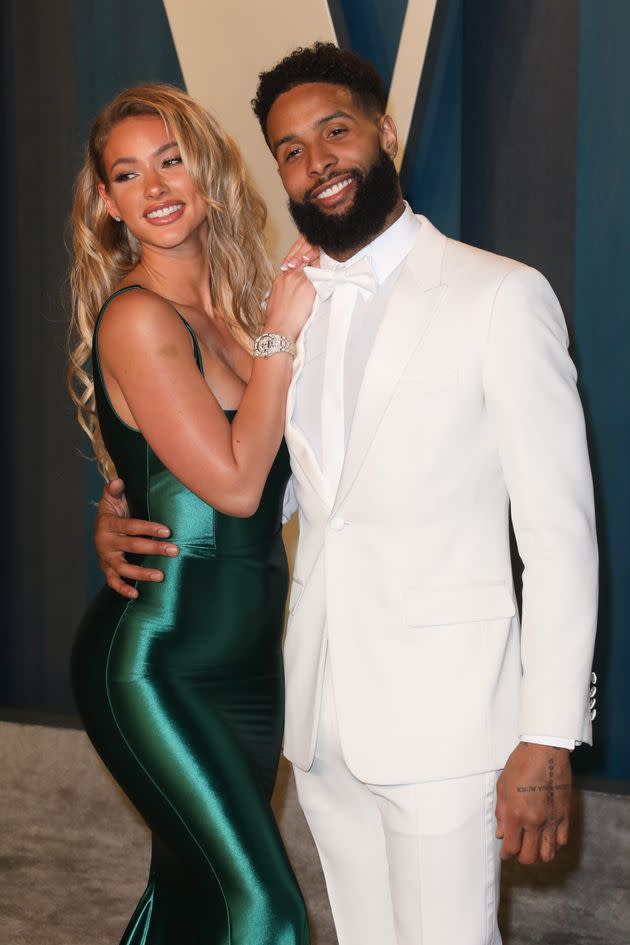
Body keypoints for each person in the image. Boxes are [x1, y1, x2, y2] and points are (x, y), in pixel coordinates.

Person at [94, 46, 599, 945]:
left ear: (385, 131)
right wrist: (127, 503)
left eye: (335, 131)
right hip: (319, 716)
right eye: (289, 148)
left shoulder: (500, 296)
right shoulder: (286, 310)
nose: (316, 160)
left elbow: (560, 535)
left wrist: (549, 731)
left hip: (448, 725)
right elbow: (269, 484)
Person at [67, 82, 317, 945]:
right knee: (267, 912)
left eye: (170, 159)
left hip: (247, 662)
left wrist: (266, 335)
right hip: (158, 664)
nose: (158, 186)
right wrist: (282, 340)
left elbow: (287, 486)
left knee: (192, 902)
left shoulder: (235, 314)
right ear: (109, 203)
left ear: (205, 167)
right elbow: (239, 486)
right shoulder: (140, 317)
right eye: (129, 174)